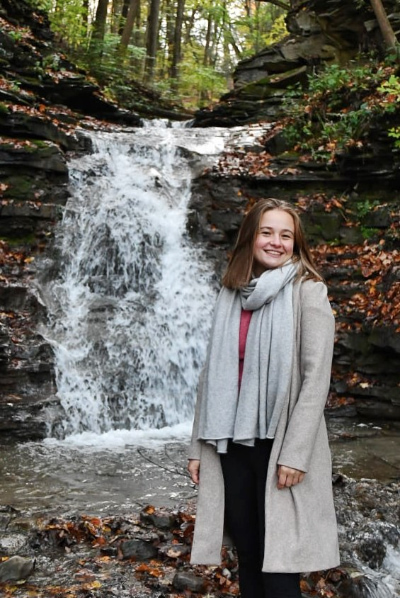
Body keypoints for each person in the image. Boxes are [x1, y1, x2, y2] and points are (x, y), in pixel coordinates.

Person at [187, 198, 340, 598]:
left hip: (280, 447)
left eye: (285, 235)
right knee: (249, 558)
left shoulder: (309, 292)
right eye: (267, 232)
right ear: (250, 238)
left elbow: (315, 379)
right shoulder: (231, 293)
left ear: (296, 243)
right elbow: (210, 376)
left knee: (279, 564)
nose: (276, 242)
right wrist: (196, 447)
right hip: (231, 443)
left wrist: (296, 452)